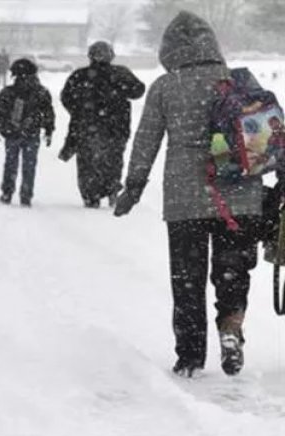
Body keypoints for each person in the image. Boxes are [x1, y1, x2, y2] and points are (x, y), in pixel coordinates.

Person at [114, 11, 263, 378]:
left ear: (169, 49)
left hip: (185, 199)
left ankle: (190, 356)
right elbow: (264, 135)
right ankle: (231, 327)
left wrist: (133, 185)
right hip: (239, 194)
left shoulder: (166, 86)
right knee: (232, 270)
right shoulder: (238, 81)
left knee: (187, 279)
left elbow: (146, 139)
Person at [61, 41, 146, 208]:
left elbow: (66, 97)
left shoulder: (80, 75)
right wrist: (120, 89)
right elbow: (138, 90)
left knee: (87, 162)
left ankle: (90, 194)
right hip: (116, 127)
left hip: (86, 127)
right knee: (113, 160)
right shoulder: (120, 73)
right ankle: (112, 188)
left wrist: (79, 111)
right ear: (111, 55)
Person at [0, 59, 55, 207]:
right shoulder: (41, 92)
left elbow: (0, 113)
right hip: (31, 134)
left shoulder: (8, 92)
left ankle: (7, 192)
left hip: (12, 133)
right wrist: (49, 130)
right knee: (29, 165)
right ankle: (26, 194)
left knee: (11, 163)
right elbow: (49, 114)